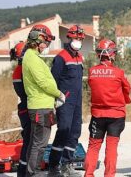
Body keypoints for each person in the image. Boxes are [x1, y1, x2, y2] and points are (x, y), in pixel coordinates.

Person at [84, 39, 131, 177]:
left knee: (93, 147)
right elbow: (127, 89)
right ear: (112, 54)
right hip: (116, 116)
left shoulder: (91, 72)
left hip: (97, 115)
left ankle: (88, 174)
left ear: (98, 54)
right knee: (111, 148)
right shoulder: (119, 73)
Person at [22, 24, 65, 176]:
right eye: (46, 41)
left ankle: (32, 172)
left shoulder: (33, 57)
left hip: (42, 105)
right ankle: (33, 173)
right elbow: (43, 82)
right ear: (38, 40)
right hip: (40, 107)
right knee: (39, 144)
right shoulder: (32, 58)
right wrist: (58, 93)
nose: (47, 45)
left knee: (36, 143)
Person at [48, 25, 85, 177]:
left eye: (80, 39)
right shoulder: (61, 57)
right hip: (65, 101)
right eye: (75, 38)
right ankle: (53, 166)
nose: (78, 41)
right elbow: (53, 80)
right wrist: (55, 100)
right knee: (63, 131)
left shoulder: (79, 56)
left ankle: (67, 164)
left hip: (77, 101)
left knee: (75, 132)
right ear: (69, 38)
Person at [10, 41, 30, 177]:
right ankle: (23, 172)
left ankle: (24, 171)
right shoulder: (21, 70)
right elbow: (25, 93)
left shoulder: (19, 70)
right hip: (27, 108)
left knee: (29, 141)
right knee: (29, 141)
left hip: (25, 108)